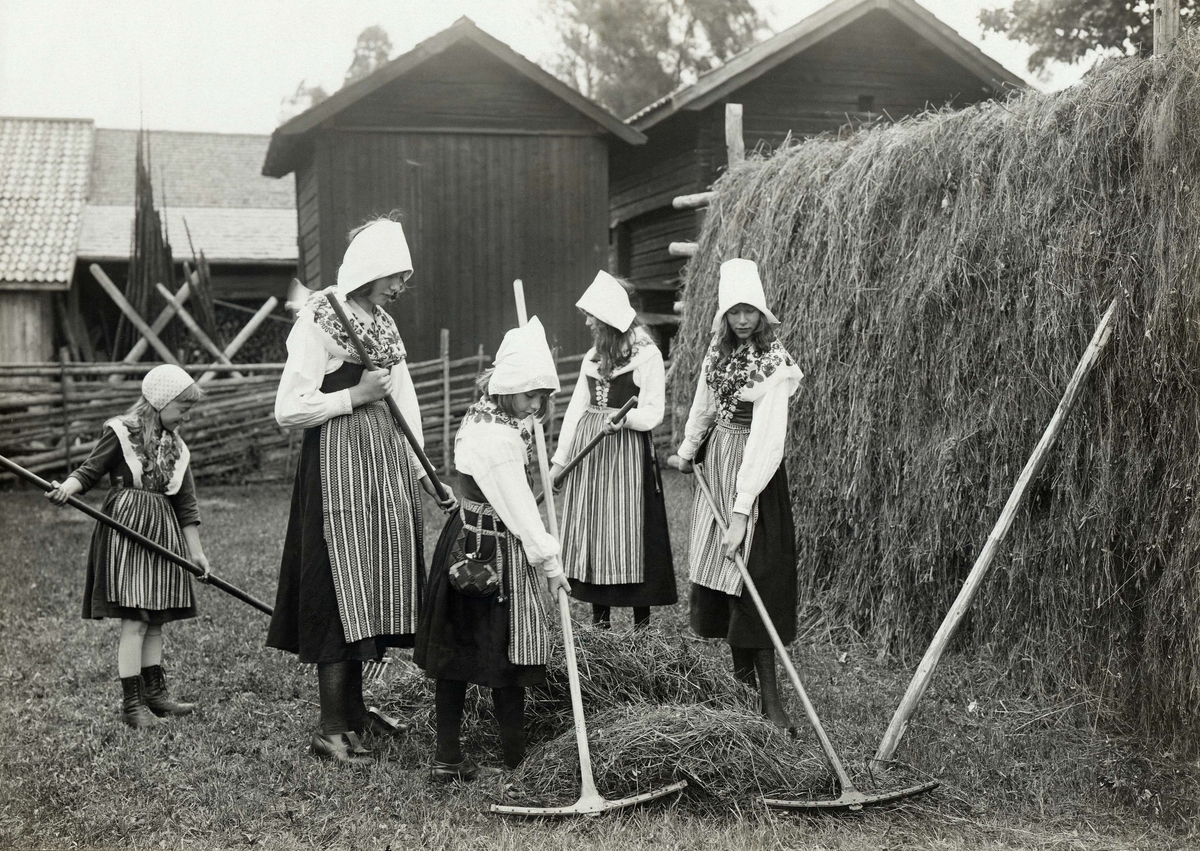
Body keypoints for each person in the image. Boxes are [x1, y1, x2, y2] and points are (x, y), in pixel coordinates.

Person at [268, 216, 456, 766]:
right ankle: (330, 728)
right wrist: (353, 396)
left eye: (403, 277)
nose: (400, 286)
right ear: (369, 269)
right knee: (339, 584)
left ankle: (353, 712)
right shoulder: (320, 319)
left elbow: (405, 406)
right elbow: (288, 408)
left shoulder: (384, 326)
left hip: (384, 469)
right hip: (337, 470)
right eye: (394, 275)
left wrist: (425, 474)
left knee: (370, 584)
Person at [414, 316, 571, 781]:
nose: (536, 405)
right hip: (489, 550)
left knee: (456, 653)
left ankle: (450, 756)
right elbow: (520, 511)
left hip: (463, 537)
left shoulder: (484, 414)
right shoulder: (498, 437)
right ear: (506, 388)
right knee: (506, 653)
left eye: (542, 396)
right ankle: (513, 759)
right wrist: (550, 563)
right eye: (529, 395)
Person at [674, 258, 804, 731]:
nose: (743, 319)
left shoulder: (774, 365)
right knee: (727, 583)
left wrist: (741, 512)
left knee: (755, 581)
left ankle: (771, 704)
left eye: (750, 311)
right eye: (735, 312)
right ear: (724, 315)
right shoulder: (718, 353)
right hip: (718, 465)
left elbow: (768, 441)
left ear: (763, 314)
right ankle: (743, 693)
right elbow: (705, 403)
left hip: (755, 479)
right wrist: (689, 447)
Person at [46, 364, 211, 729]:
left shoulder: (177, 448)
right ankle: (132, 706)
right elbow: (90, 470)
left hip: (162, 532)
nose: (185, 417)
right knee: (135, 618)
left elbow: (186, 505)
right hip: (127, 529)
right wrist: (66, 489)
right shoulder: (121, 432)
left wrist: (196, 552)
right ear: (161, 401)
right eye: (182, 408)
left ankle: (155, 696)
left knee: (156, 618)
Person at [550, 271, 676, 629]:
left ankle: (641, 627)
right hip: (592, 456)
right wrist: (560, 461)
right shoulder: (593, 357)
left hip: (627, 456)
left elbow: (653, 412)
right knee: (595, 529)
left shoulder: (646, 355)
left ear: (608, 317)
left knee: (628, 529)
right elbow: (576, 409)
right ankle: (600, 623)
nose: (588, 322)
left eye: (592, 315)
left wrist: (626, 419)